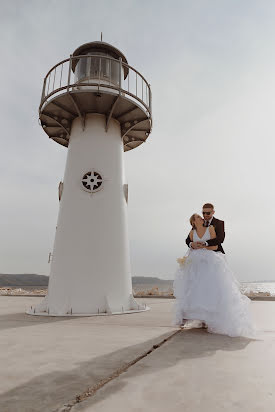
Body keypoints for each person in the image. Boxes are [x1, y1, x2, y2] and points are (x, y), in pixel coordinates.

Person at [172, 210, 257, 338]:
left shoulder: (210, 228)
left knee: (210, 288)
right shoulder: (192, 232)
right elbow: (188, 243)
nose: (202, 218)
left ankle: (209, 318)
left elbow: (215, 246)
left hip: (209, 261)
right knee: (193, 289)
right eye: (198, 217)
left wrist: (203, 246)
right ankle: (189, 317)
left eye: (202, 216)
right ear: (193, 222)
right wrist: (192, 244)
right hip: (195, 264)